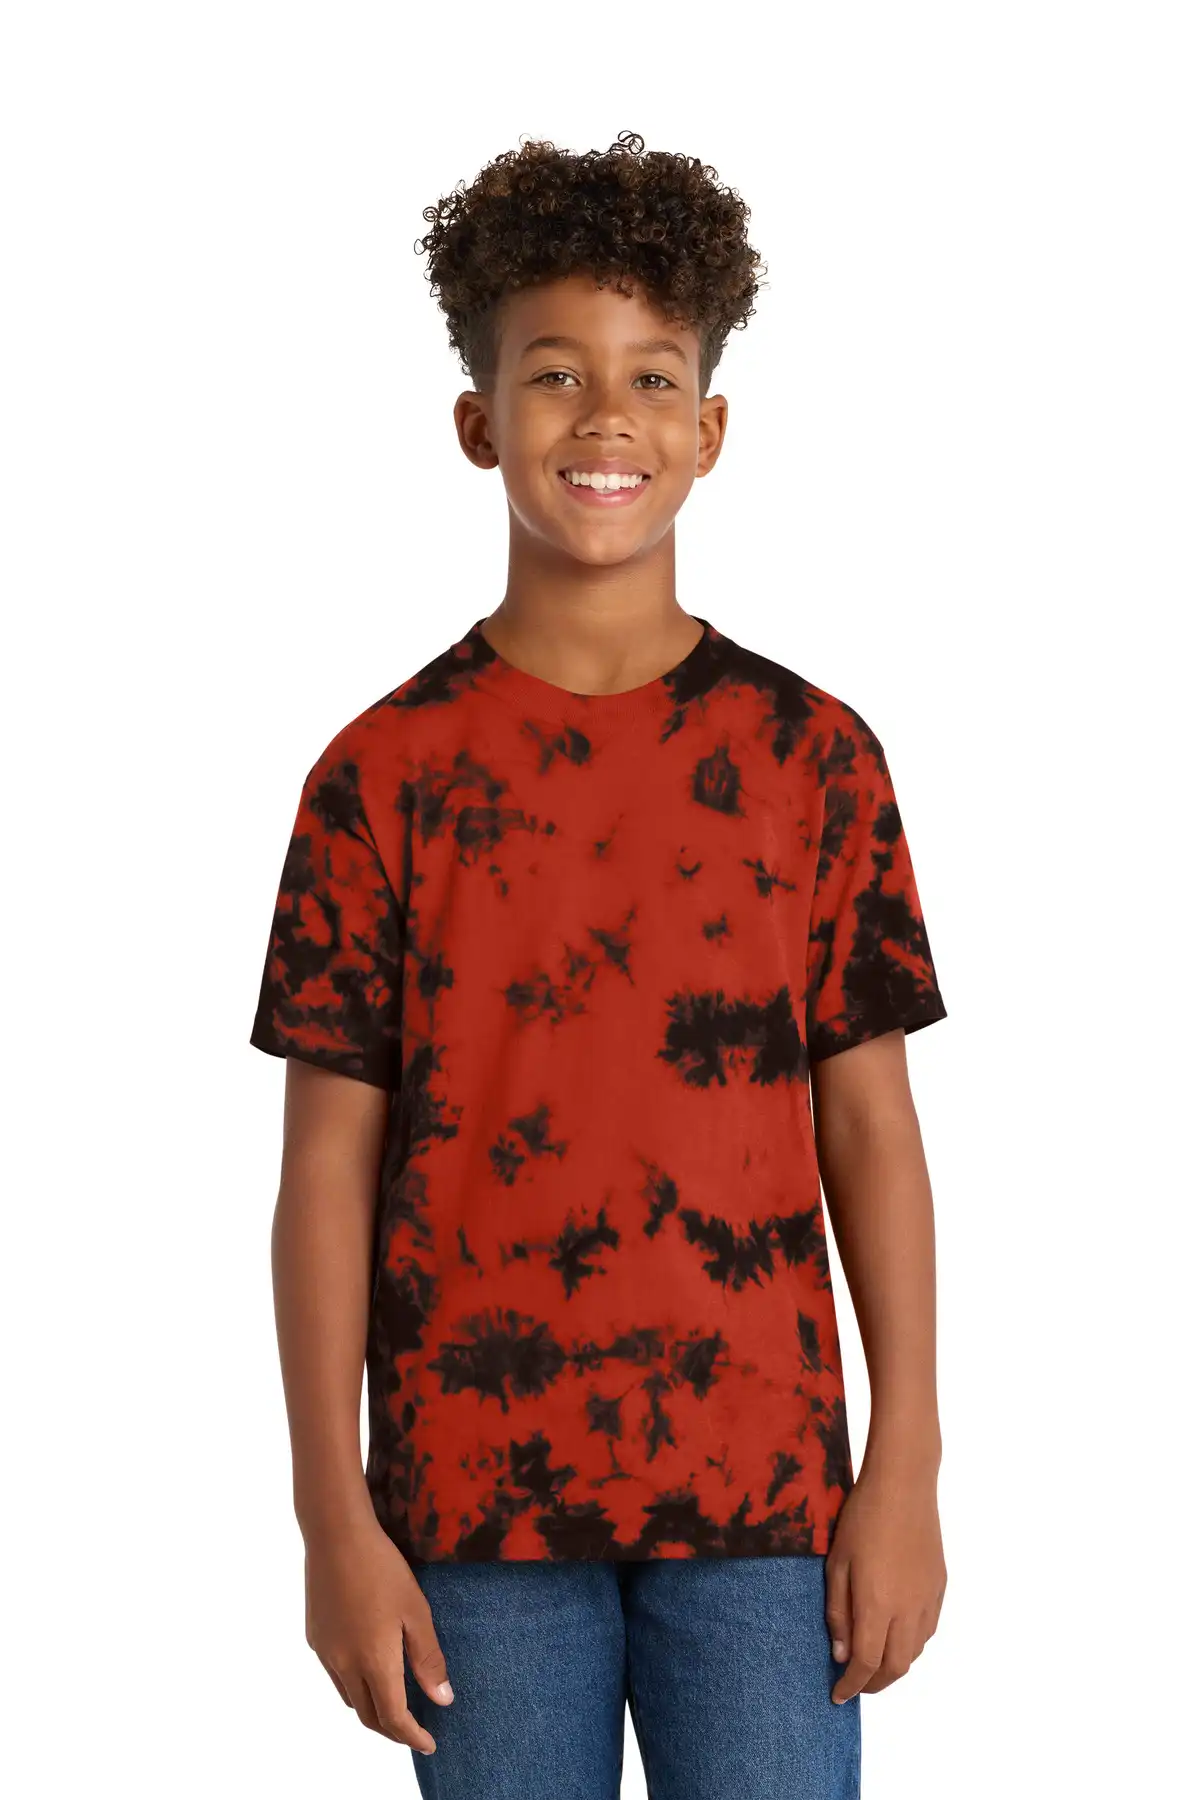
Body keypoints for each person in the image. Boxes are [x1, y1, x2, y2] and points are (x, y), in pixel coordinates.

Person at [250, 129, 948, 1800]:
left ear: (711, 430)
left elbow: (870, 1128)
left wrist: (908, 1464)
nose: (605, 417)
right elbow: (327, 1171)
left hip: (769, 1501)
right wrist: (331, 1517)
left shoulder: (813, 758)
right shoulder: (380, 776)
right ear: (479, 421)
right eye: (555, 374)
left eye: (653, 377)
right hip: (467, 1507)